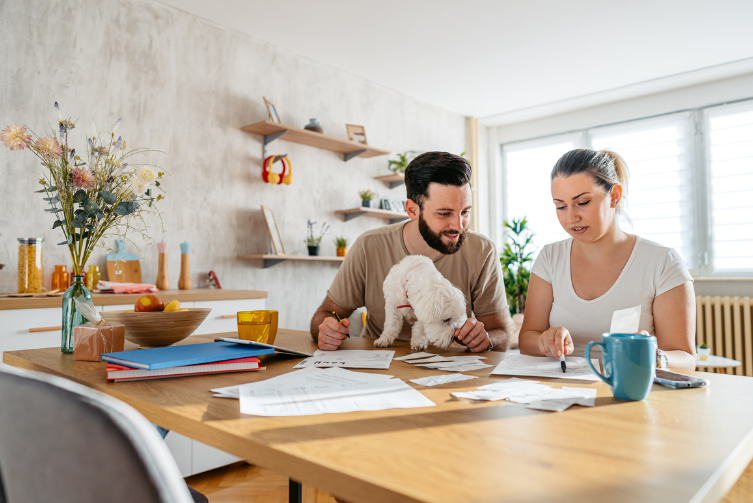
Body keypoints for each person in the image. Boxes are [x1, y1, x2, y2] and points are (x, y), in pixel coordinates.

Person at [310, 151, 513, 352]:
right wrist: (327, 330)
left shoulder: (482, 251)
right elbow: (325, 314)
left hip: (449, 374)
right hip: (377, 370)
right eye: (444, 213)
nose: (458, 225)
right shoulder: (368, 246)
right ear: (412, 210)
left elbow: (501, 333)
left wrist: (486, 339)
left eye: (465, 212)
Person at [519, 149, 696, 370]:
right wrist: (544, 341)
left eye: (582, 202)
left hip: (627, 392)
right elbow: (527, 340)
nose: (571, 218)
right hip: (560, 390)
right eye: (560, 206)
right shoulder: (549, 257)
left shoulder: (662, 263)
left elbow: (687, 359)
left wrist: (653, 356)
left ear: (614, 196)